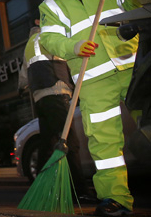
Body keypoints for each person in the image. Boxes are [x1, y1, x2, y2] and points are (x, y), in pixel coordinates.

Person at [38, 0, 140, 216]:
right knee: (104, 142)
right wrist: (73, 47)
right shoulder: (50, 6)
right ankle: (115, 199)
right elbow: (49, 39)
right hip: (92, 78)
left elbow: (139, 3)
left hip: (134, 65)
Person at [19, 17, 95, 202]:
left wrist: (24, 88)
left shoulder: (29, 44)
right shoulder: (50, 37)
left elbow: (23, 77)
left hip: (40, 97)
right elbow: (69, 57)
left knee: (48, 144)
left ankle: (44, 190)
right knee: (70, 142)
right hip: (56, 90)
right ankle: (80, 191)